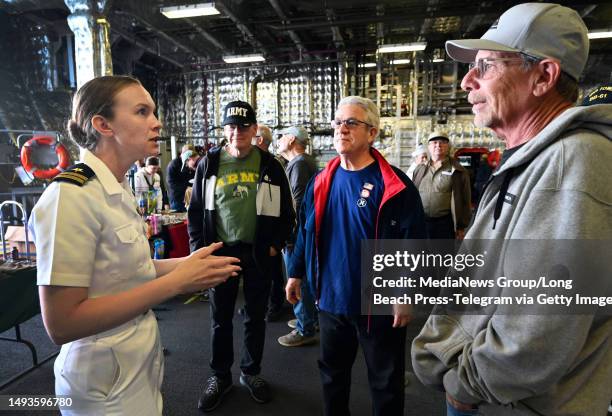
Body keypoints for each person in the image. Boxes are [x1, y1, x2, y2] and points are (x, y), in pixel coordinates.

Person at [411, 3, 612, 416]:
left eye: (485, 66)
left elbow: (538, 328)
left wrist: (465, 385)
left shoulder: (572, 163)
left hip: (509, 401)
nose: (467, 80)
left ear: (543, 76)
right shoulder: (537, 159)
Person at [29, 75, 241, 416]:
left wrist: (185, 264)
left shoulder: (114, 187)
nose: (156, 122)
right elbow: (62, 323)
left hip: (134, 359)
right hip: (101, 379)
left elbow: (128, 267)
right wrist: (177, 283)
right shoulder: (70, 197)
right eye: (142, 112)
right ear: (103, 124)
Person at [285, 96, 425, 416]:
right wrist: (295, 273)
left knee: (386, 381)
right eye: (337, 122)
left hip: (378, 304)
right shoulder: (321, 182)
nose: (341, 129)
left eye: (351, 123)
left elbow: (413, 244)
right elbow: (305, 232)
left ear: (372, 133)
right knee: (333, 376)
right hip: (330, 299)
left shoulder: (395, 186)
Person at [188, 100, 295, 411]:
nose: (238, 133)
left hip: (259, 251)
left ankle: (251, 372)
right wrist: (199, 250)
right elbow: (195, 212)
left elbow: (287, 212)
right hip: (221, 251)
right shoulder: (209, 165)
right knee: (220, 318)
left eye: (244, 127)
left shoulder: (270, 165)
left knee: (255, 317)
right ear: (225, 131)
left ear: (254, 130)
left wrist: (275, 244)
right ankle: (219, 376)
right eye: (232, 127)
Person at [275, 126, 319, 347]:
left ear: (291, 139)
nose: (279, 141)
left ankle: (305, 326)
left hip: (297, 236)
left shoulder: (299, 164)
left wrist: (288, 235)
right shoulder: (304, 162)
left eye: (282, 137)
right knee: (305, 279)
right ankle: (308, 318)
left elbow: (297, 204)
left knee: (298, 278)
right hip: (304, 234)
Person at [412, 132, 471, 239]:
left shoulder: (458, 171)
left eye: (442, 142)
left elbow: (465, 200)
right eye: (434, 142)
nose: (438, 145)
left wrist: (461, 227)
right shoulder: (419, 169)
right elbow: (412, 195)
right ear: (428, 147)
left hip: (444, 225)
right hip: (421, 222)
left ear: (448, 146)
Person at [166, 144, 195, 212]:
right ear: (182, 153)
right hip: (177, 199)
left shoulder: (192, 162)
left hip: (191, 197)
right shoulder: (173, 164)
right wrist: (187, 187)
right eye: (187, 155)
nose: (189, 158)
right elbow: (171, 183)